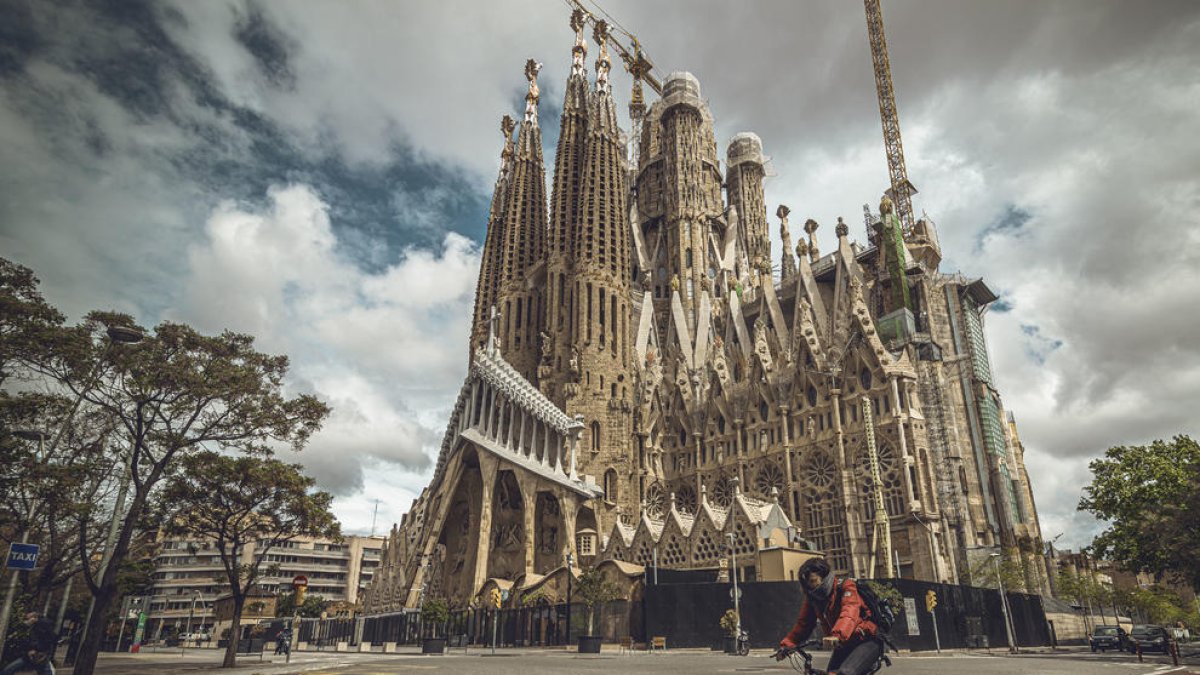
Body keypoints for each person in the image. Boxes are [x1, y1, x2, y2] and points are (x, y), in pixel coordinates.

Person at [774, 558, 883, 675]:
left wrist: (837, 635)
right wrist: (787, 645)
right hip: (843, 645)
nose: (810, 586)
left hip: (867, 641)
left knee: (845, 673)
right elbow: (803, 624)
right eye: (807, 583)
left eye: (813, 580)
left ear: (824, 576)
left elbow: (850, 611)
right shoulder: (813, 599)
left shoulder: (846, 586)